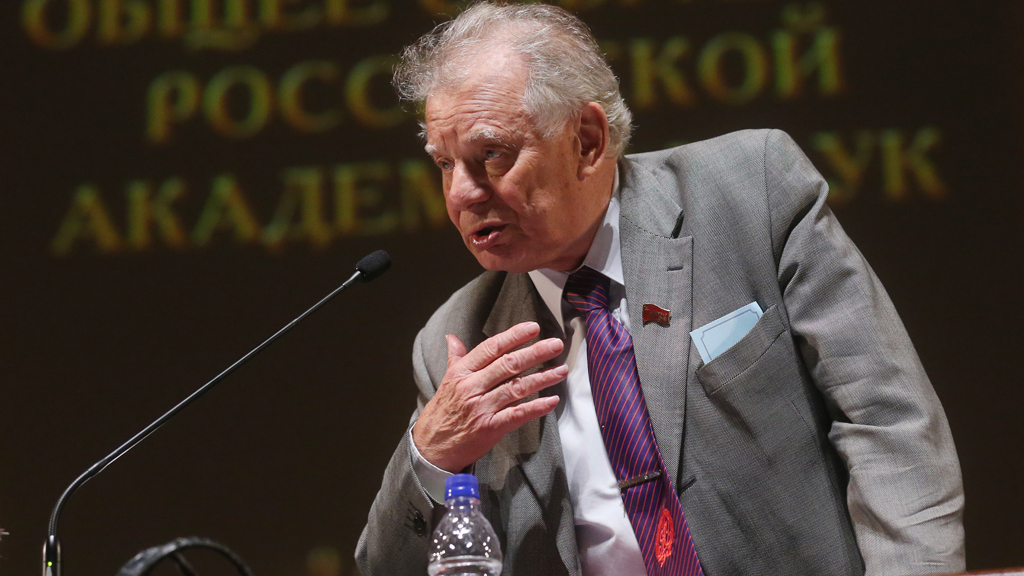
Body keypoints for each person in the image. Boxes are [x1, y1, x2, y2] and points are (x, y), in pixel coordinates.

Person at [356, 3, 965, 575]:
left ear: (587, 141)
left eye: (491, 154)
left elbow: (888, 422)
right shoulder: (455, 340)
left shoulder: (749, 194)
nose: (461, 193)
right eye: (444, 164)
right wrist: (429, 456)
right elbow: (387, 566)